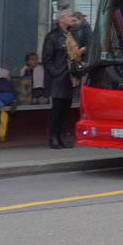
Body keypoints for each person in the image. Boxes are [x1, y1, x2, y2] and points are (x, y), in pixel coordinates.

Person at [42, 9, 86, 149]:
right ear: (61, 19)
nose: (72, 18)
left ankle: (62, 136)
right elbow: (47, 59)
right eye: (70, 16)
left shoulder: (73, 34)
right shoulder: (53, 36)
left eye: (73, 16)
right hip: (58, 78)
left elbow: (74, 53)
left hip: (71, 77)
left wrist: (79, 53)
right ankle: (53, 138)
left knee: (66, 108)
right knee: (57, 108)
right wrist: (56, 74)